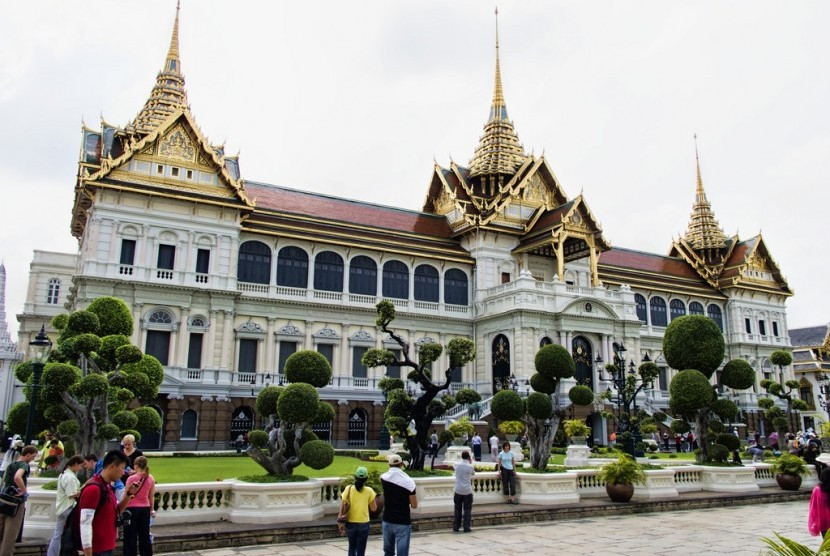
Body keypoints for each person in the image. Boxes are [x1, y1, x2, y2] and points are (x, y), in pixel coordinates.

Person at [79, 449, 142, 556]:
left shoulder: (107, 487)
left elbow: (117, 511)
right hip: (97, 549)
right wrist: (88, 553)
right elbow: (85, 523)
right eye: (122, 468)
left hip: (106, 547)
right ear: (112, 466)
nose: (123, 473)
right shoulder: (94, 489)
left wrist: (128, 495)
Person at [0, 445, 37, 554]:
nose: (32, 459)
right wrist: (24, 490)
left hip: (3, 499)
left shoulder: (11, 464)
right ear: (28, 454)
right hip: (15, 503)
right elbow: (17, 477)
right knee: (9, 536)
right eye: (33, 457)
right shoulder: (23, 464)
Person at [380, 454, 417, 556]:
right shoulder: (409, 482)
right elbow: (414, 504)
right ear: (401, 464)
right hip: (402, 521)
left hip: (387, 519)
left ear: (389, 465)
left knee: (388, 552)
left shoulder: (383, 478)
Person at [47, 455, 84, 556]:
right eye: (80, 465)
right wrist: (81, 492)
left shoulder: (64, 474)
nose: (81, 468)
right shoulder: (70, 477)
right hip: (68, 507)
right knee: (73, 533)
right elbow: (71, 494)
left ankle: (52, 554)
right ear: (75, 464)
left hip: (61, 507)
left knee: (57, 534)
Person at [338, 466, 376, 556]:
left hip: (350, 523)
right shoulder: (369, 491)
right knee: (361, 550)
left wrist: (340, 520)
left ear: (355, 477)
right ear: (366, 479)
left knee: (352, 547)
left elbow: (342, 504)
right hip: (364, 523)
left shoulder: (348, 488)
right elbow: (374, 508)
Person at [124, 456, 155, 556]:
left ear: (136, 466)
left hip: (131, 508)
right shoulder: (150, 478)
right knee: (144, 535)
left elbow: (126, 495)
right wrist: (152, 509)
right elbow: (151, 496)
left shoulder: (131, 479)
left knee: (130, 536)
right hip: (145, 508)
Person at [452, 451, 475, 533]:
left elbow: (454, 467)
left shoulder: (457, 465)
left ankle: (456, 527)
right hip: (467, 491)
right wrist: (470, 462)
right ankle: (466, 527)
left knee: (457, 509)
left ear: (461, 456)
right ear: (468, 457)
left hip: (458, 490)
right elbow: (473, 474)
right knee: (467, 510)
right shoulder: (470, 466)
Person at [809, 467, 830, 538]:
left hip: (823, 521)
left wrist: (815, 523)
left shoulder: (817, 490)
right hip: (824, 521)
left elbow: (813, 509)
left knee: (827, 545)